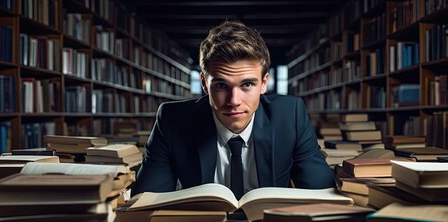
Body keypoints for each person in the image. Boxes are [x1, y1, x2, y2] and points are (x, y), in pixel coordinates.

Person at [132, 20, 335, 197]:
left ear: (264, 83)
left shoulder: (290, 116)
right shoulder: (172, 120)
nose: (234, 100)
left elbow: (322, 193)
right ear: (204, 83)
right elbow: (147, 199)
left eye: (247, 84)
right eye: (221, 85)